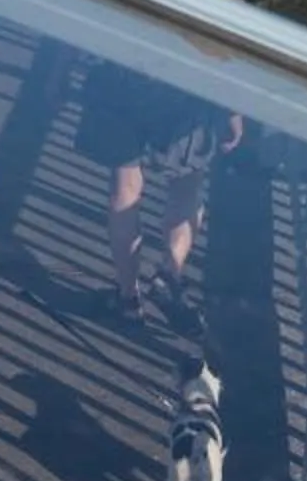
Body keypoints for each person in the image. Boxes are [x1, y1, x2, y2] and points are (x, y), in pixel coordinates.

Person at [78, 58, 242, 332]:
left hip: (124, 74)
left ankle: (128, 299)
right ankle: (169, 274)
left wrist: (58, 71)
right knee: (186, 185)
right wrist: (233, 111)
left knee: (125, 189)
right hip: (186, 84)